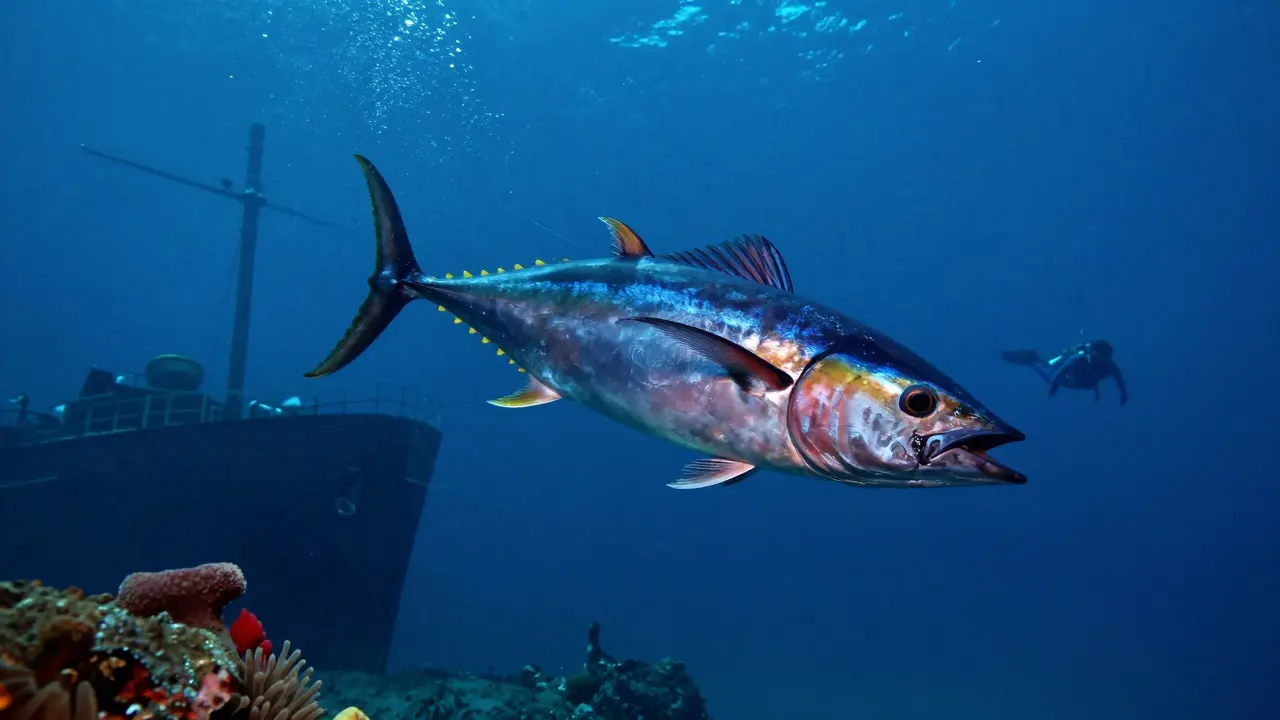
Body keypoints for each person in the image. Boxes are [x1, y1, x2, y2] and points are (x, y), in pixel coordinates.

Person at [1001, 339, 1128, 404]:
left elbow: (1119, 379)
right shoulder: (1081, 357)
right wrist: (1054, 384)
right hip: (1067, 379)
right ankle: (1023, 357)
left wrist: (1123, 393)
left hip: (1078, 381)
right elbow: (1064, 369)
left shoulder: (1110, 365)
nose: (1106, 359)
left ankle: (1029, 359)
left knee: (1044, 369)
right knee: (1042, 368)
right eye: (1104, 356)